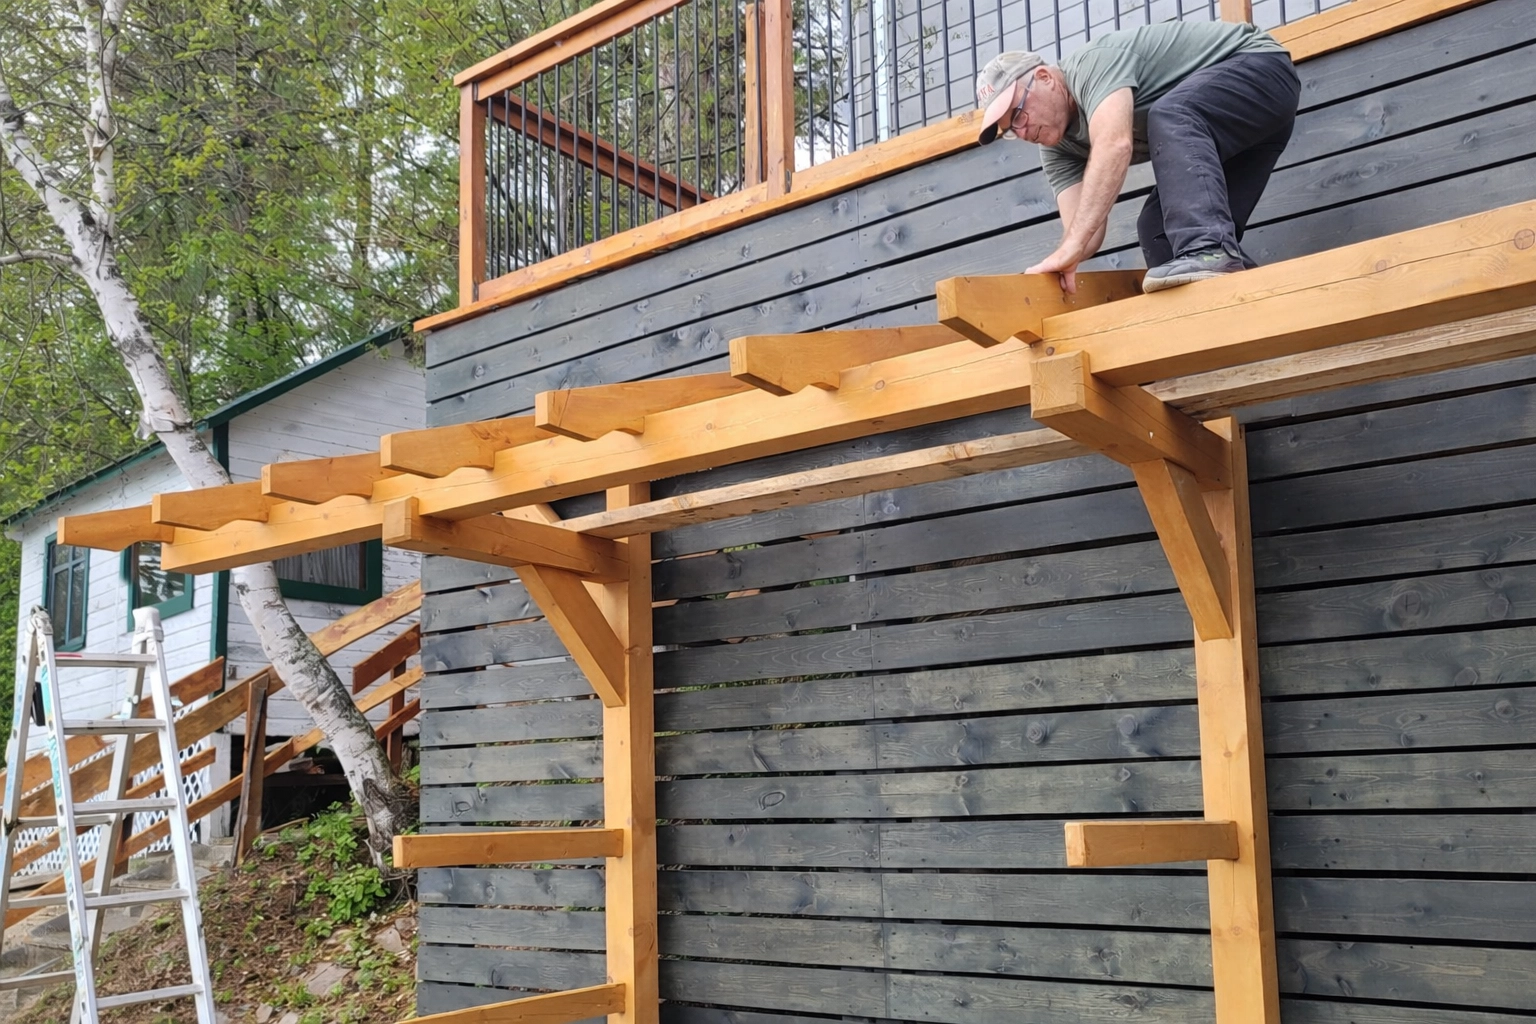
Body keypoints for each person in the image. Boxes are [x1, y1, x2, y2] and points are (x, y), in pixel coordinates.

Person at [974, 20, 1300, 293]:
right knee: (1157, 230)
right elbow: (1084, 231)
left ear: (1045, 78)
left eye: (1018, 114)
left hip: (1262, 71)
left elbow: (1114, 144)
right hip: (1236, 135)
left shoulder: (1091, 66)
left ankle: (1210, 252)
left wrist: (1070, 249)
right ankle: (1258, 303)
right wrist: (1056, 263)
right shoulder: (1057, 148)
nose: (1022, 131)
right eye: (1010, 130)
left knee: (1170, 115)